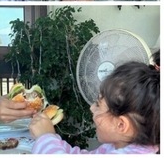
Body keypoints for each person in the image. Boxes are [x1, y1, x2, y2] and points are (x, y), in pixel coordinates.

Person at [29, 60, 160, 154]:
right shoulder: (116, 146)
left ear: (121, 125)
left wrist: (45, 138)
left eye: (98, 104)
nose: (91, 108)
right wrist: (52, 137)